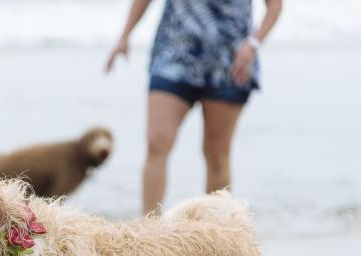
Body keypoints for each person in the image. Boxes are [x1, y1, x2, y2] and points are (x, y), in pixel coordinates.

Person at [105, 0, 283, 215]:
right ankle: (149, 233)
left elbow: (275, 5)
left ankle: (215, 234)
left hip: (230, 63)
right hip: (174, 55)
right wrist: (125, 36)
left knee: (216, 154)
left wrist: (254, 44)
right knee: (156, 143)